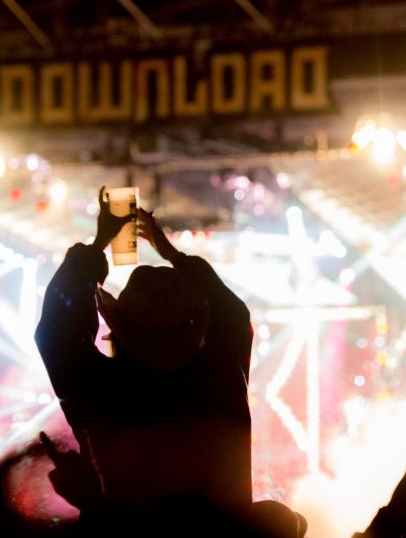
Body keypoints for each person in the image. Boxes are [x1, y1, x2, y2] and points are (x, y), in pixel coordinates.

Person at [34, 188, 253, 516]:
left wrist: (96, 246)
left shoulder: (101, 388)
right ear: (194, 328)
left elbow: (56, 332)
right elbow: (234, 318)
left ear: (120, 331)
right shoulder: (222, 379)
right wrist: (172, 253)